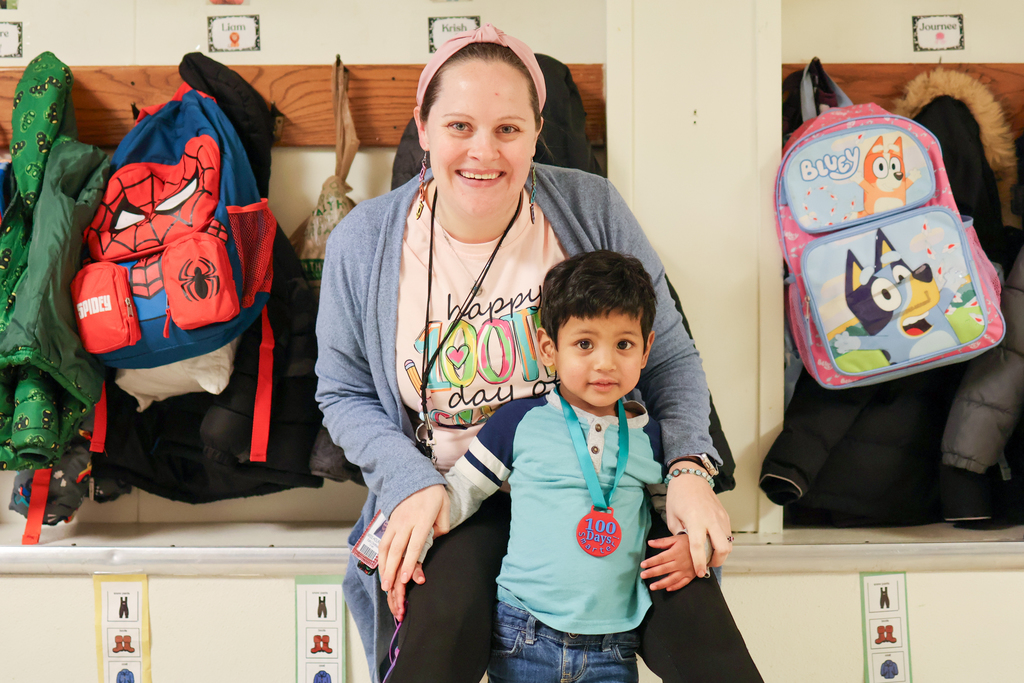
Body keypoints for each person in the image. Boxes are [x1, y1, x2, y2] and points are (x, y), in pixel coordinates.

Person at [315, 23, 762, 683]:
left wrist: (692, 467)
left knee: (711, 646)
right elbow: (342, 391)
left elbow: (670, 357)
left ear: (536, 128)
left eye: (508, 129)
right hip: (455, 497)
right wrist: (408, 482)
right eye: (460, 126)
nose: (483, 153)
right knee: (432, 650)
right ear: (424, 124)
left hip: (602, 486)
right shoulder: (365, 241)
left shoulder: (590, 208)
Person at [387, 251, 709, 683]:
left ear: (647, 349)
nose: (605, 363)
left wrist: (691, 548)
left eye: (624, 344)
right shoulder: (516, 423)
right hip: (523, 638)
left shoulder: (651, 440)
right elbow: (458, 496)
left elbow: (676, 517)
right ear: (548, 348)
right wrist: (411, 553)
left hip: (614, 647)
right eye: (584, 343)